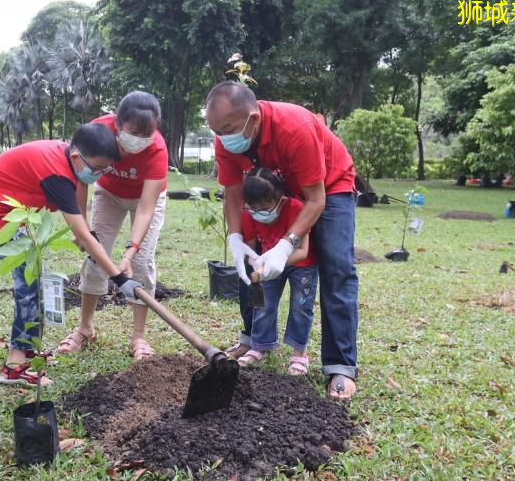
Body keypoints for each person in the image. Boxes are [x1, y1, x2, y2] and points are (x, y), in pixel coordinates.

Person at [205, 81, 358, 400]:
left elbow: (316, 200)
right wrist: (236, 240)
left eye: (227, 128)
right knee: (253, 263)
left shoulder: (294, 127)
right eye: (215, 130)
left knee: (336, 266)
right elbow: (233, 196)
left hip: (329, 185)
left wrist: (287, 244)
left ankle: (340, 366)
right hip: (276, 189)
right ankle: (251, 338)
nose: (221, 137)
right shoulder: (226, 140)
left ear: (254, 118)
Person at [0, 124, 143, 386]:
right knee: (29, 284)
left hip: (13, 212)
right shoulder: (57, 176)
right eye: (96, 169)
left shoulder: (70, 160)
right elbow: (81, 233)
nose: (98, 175)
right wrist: (118, 278)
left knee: (35, 279)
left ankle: (28, 350)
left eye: (104, 170)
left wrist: (85, 226)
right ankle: (15, 365)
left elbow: (80, 188)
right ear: (76, 158)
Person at [57, 91, 168, 361]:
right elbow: (81, 177)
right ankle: (85, 328)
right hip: (108, 195)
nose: (140, 139)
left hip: (146, 199)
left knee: (141, 262)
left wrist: (129, 252)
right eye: (133, 131)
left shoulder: (158, 150)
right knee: (96, 256)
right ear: (117, 124)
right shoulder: (97, 131)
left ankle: (139, 337)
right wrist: (80, 227)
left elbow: (145, 208)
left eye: (147, 133)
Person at [237, 168, 317, 376]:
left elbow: (302, 251)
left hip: (302, 265)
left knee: (301, 307)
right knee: (261, 303)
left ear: (280, 200)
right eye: (253, 208)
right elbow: (251, 248)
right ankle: (259, 346)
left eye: (264, 208)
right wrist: (257, 264)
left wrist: (277, 261)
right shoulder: (249, 214)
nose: (258, 213)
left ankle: (299, 353)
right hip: (267, 266)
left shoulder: (297, 209)